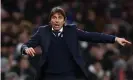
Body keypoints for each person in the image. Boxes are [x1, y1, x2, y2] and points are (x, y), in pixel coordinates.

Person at [21, 6, 131, 80]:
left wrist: (114, 39)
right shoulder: (42, 31)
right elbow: (25, 45)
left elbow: (92, 36)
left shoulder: (71, 31)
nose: (57, 20)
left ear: (64, 21)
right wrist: (26, 49)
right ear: (50, 20)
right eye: (54, 17)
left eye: (60, 18)